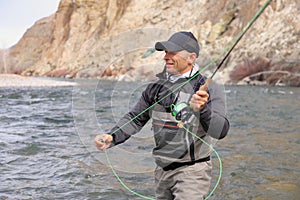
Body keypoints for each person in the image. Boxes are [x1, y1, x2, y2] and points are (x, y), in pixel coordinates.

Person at [94, 31, 230, 199]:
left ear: (191, 58)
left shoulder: (210, 88)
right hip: (161, 173)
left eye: (173, 52)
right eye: (166, 52)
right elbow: (135, 118)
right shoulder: (155, 89)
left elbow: (221, 130)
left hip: (193, 172)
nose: (166, 57)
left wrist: (203, 109)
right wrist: (112, 136)